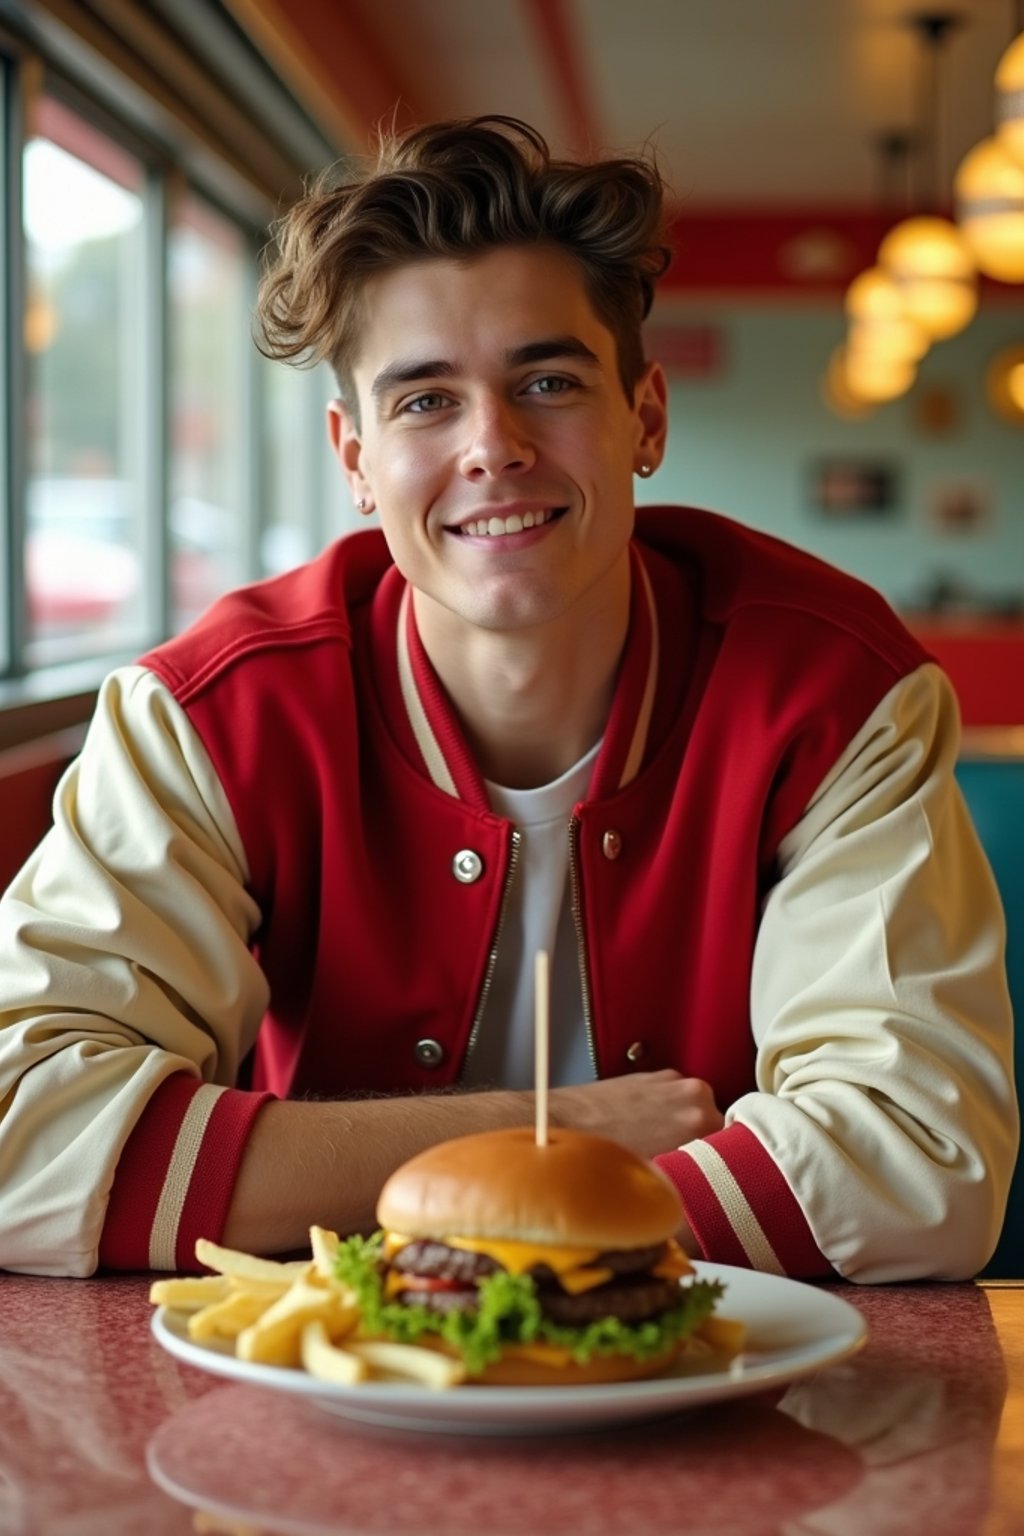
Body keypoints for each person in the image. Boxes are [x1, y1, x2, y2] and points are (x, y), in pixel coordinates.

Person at [0, 116, 1016, 1282]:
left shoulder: (832, 690)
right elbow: (18, 1133)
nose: (493, 445)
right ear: (354, 459)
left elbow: (921, 1164)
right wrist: (561, 1137)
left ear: (645, 418)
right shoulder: (209, 715)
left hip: (717, 1380)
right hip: (324, 1402)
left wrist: (414, 1235)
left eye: (547, 380)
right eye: (425, 401)